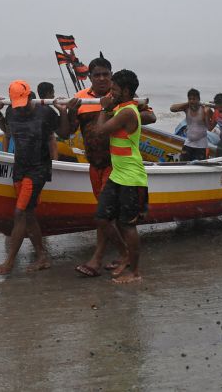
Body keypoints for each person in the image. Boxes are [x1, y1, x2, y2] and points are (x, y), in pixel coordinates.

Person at [65, 54, 156, 278]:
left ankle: (100, 259)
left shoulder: (122, 98)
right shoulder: (81, 99)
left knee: (112, 217)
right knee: (104, 216)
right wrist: (67, 111)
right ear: (89, 77)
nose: (103, 79)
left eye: (107, 74)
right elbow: (66, 131)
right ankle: (123, 254)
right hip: (94, 164)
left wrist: (117, 112)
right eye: (97, 75)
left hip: (117, 167)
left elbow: (149, 116)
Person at [0, 80, 69, 274]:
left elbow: (64, 133)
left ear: (30, 97)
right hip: (20, 169)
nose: (21, 108)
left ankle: (9, 262)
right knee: (29, 214)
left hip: (38, 169)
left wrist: (64, 112)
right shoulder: (11, 111)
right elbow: (7, 131)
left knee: (20, 213)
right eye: (17, 104)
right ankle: (42, 257)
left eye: (24, 103)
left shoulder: (45, 113)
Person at [92, 69, 148, 284]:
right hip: (118, 175)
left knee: (127, 225)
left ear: (125, 91)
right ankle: (125, 254)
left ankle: (134, 272)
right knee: (102, 218)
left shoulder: (127, 112)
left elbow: (100, 132)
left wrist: (103, 109)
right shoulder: (123, 108)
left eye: (114, 89)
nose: (111, 92)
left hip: (132, 178)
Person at [170, 88, 212, 161]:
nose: (192, 101)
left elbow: (210, 127)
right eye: (190, 99)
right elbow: (172, 109)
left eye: (194, 99)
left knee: (200, 168)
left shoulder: (205, 110)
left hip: (201, 145)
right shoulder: (186, 108)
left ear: (198, 99)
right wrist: (188, 103)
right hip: (188, 144)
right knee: (183, 165)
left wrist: (207, 115)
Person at [37, 81, 59, 161]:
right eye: (53, 93)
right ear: (48, 93)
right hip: (45, 153)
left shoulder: (34, 108)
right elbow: (55, 136)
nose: (54, 96)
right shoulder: (49, 112)